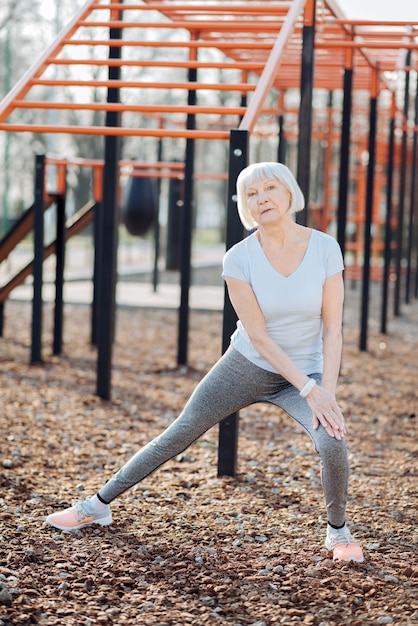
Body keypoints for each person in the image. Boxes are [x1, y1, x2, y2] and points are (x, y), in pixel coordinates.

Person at [46, 161, 364, 563]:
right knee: (178, 434)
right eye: (251, 194)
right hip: (247, 365)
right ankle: (96, 505)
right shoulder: (239, 258)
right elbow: (261, 338)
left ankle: (337, 532)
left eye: (269, 188)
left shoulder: (324, 248)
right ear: (245, 206)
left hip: (306, 373)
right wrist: (311, 391)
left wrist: (325, 395)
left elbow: (333, 330)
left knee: (333, 442)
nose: (262, 198)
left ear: (289, 193)